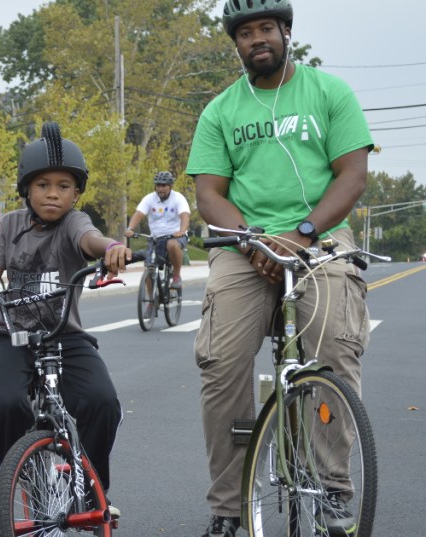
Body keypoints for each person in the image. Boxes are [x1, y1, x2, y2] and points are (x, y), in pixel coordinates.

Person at [186, 2, 373, 536]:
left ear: (285, 32)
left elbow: (352, 175)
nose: (256, 40)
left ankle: (335, 490)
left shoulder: (329, 93)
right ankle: (228, 507)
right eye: (245, 34)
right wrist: (255, 245)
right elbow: (208, 193)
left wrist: (302, 235)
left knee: (334, 348)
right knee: (219, 363)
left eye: (265, 29)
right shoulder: (220, 110)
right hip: (245, 245)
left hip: (319, 237)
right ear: (237, 44)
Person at [0, 122, 131, 537]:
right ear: (26, 189)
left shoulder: (74, 223)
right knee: (8, 405)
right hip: (12, 336)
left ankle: (90, 488)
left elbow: (92, 240)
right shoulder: (8, 226)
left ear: (77, 193)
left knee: (103, 402)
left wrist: (112, 248)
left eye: (64, 186)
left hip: (65, 334)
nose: (53, 194)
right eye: (42, 184)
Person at [124, 171, 191, 290]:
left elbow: (185, 216)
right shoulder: (150, 198)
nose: (161, 189)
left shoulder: (178, 198)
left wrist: (182, 231)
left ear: (170, 186)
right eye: (158, 185)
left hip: (175, 236)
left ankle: (176, 276)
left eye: (164, 186)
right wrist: (130, 228)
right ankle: (150, 303)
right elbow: (139, 214)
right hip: (155, 238)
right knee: (150, 268)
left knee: (172, 245)